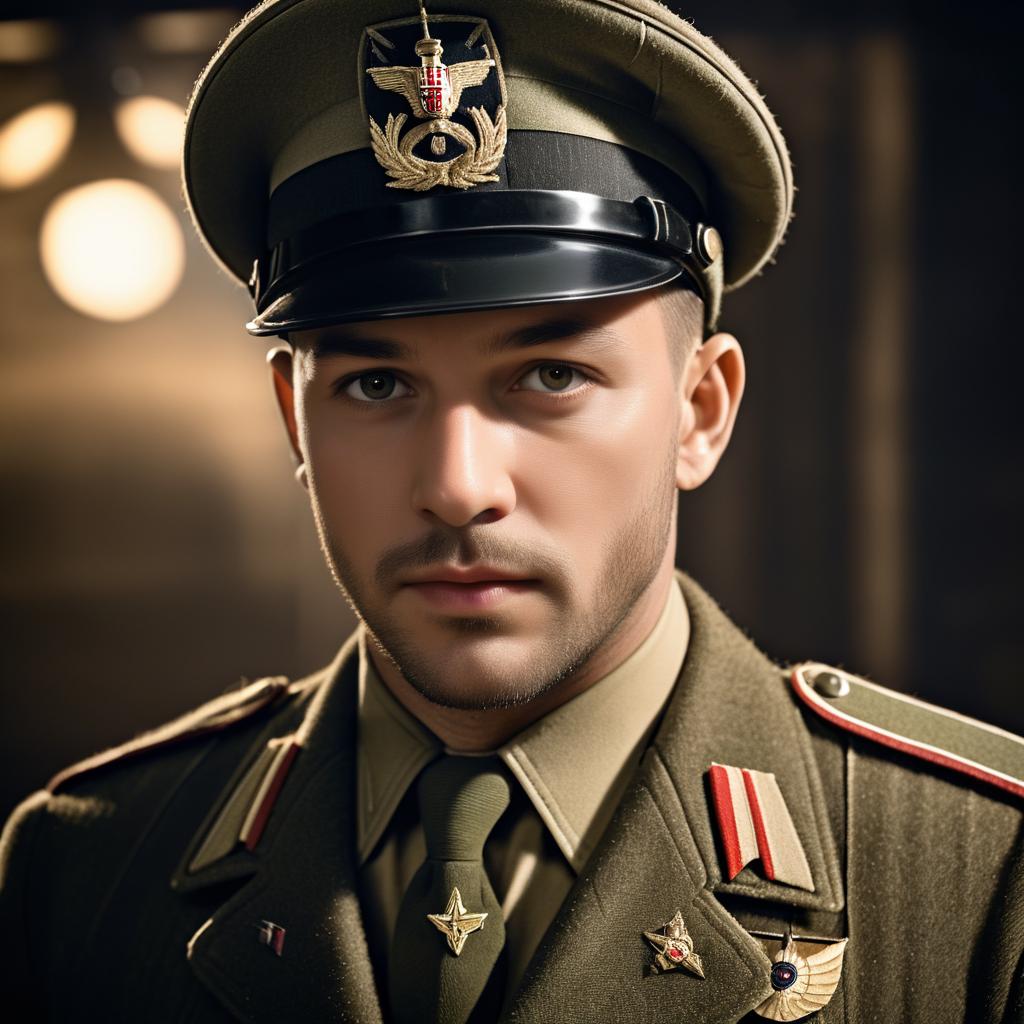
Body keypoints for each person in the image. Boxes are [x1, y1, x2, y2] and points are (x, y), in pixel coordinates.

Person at [1, 1, 1021, 1021]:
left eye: (548, 373)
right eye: (375, 386)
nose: (457, 484)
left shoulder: (975, 877)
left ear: (698, 411)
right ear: (292, 421)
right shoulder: (87, 869)